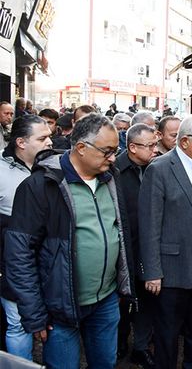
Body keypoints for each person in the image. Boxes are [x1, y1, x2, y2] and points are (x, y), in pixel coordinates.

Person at [4, 113, 133, 368]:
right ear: (82, 148)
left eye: (115, 150)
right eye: (107, 151)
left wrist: (121, 283)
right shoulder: (40, 186)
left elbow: (120, 232)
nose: (112, 157)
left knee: (105, 362)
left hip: (106, 301)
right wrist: (35, 315)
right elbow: (19, 256)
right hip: (59, 307)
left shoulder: (111, 178)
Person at [138, 113, 192, 369]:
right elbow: (149, 224)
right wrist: (152, 271)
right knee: (167, 334)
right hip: (172, 270)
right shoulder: (161, 169)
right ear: (185, 141)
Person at [0, 115, 52, 360]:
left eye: (49, 136)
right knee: (19, 323)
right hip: (12, 264)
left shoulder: (56, 166)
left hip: (51, 262)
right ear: (21, 142)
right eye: (42, 138)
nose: (50, 142)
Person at [114, 123, 158, 367]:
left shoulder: (157, 168)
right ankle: (119, 343)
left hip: (149, 247)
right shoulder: (115, 171)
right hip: (123, 249)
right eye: (150, 145)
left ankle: (141, 346)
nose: (155, 149)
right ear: (132, 147)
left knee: (147, 301)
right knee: (122, 303)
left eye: (155, 143)